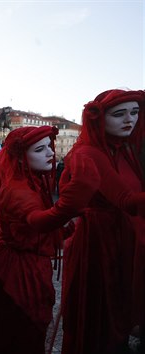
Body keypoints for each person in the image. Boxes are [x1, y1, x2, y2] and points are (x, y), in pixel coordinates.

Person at [0, 126, 99, 354]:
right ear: (20, 157)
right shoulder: (18, 189)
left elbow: (36, 230)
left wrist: (69, 224)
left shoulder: (33, 181)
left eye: (49, 147)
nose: (50, 154)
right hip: (18, 271)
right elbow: (37, 221)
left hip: (25, 265)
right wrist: (69, 205)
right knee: (20, 334)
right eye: (40, 149)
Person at [61, 89, 145, 354]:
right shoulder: (88, 153)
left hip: (124, 238)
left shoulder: (124, 149)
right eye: (119, 114)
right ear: (100, 118)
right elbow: (125, 199)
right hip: (99, 244)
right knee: (102, 319)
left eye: (135, 112)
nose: (129, 119)